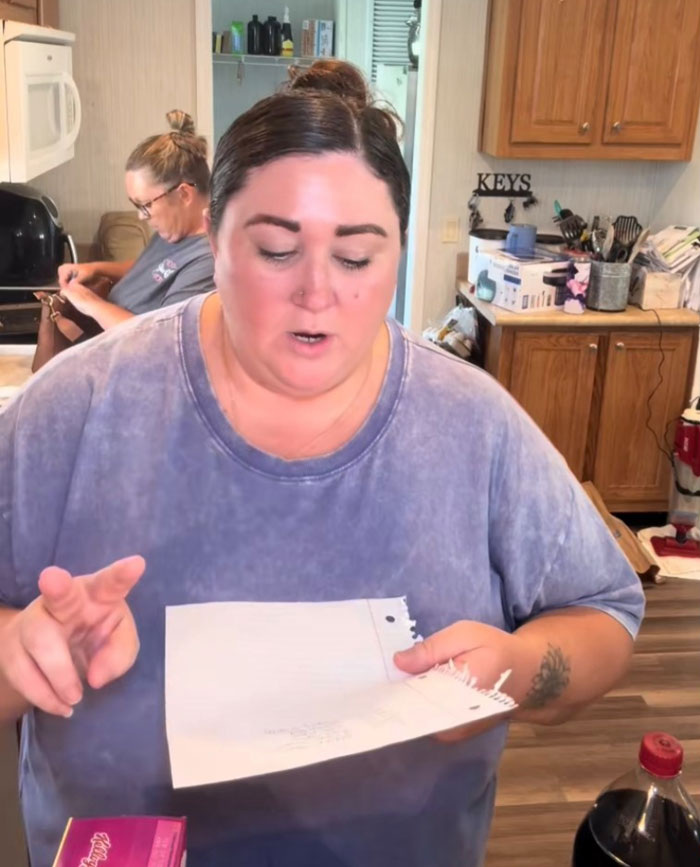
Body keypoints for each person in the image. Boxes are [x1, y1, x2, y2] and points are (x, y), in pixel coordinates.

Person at [0, 62, 644, 867]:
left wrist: (515, 669)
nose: (316, 292)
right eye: (275, 250)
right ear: (211, 238)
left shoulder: (472, 423)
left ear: (399, 252)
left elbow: (604, 618)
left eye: (356, 257)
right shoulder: (77, 409)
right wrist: (16, 654)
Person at [55, 109, 213, 331]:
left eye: (146, 205)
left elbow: (164, 340)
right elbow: (154, 272)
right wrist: (95, 268)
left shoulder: (209, 260)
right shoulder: (175, 230)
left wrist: (91, 304)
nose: (141, 215)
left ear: (184, 194)